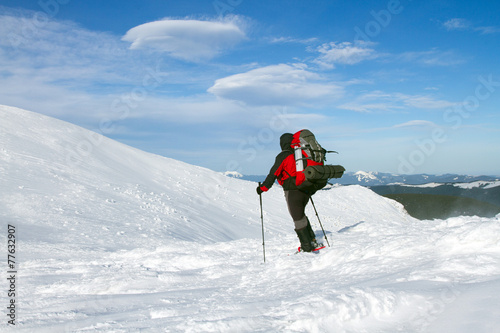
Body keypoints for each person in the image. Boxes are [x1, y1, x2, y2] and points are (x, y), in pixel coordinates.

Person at [256, 133, 319, 252]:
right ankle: (312, 240)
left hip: (292, 191)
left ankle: (307, 247)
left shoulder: (283, 155)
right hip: (305, 189)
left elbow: (273, 174)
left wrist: (262, 188)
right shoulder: (301, 154)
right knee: (300, 214)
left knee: (297, 217)